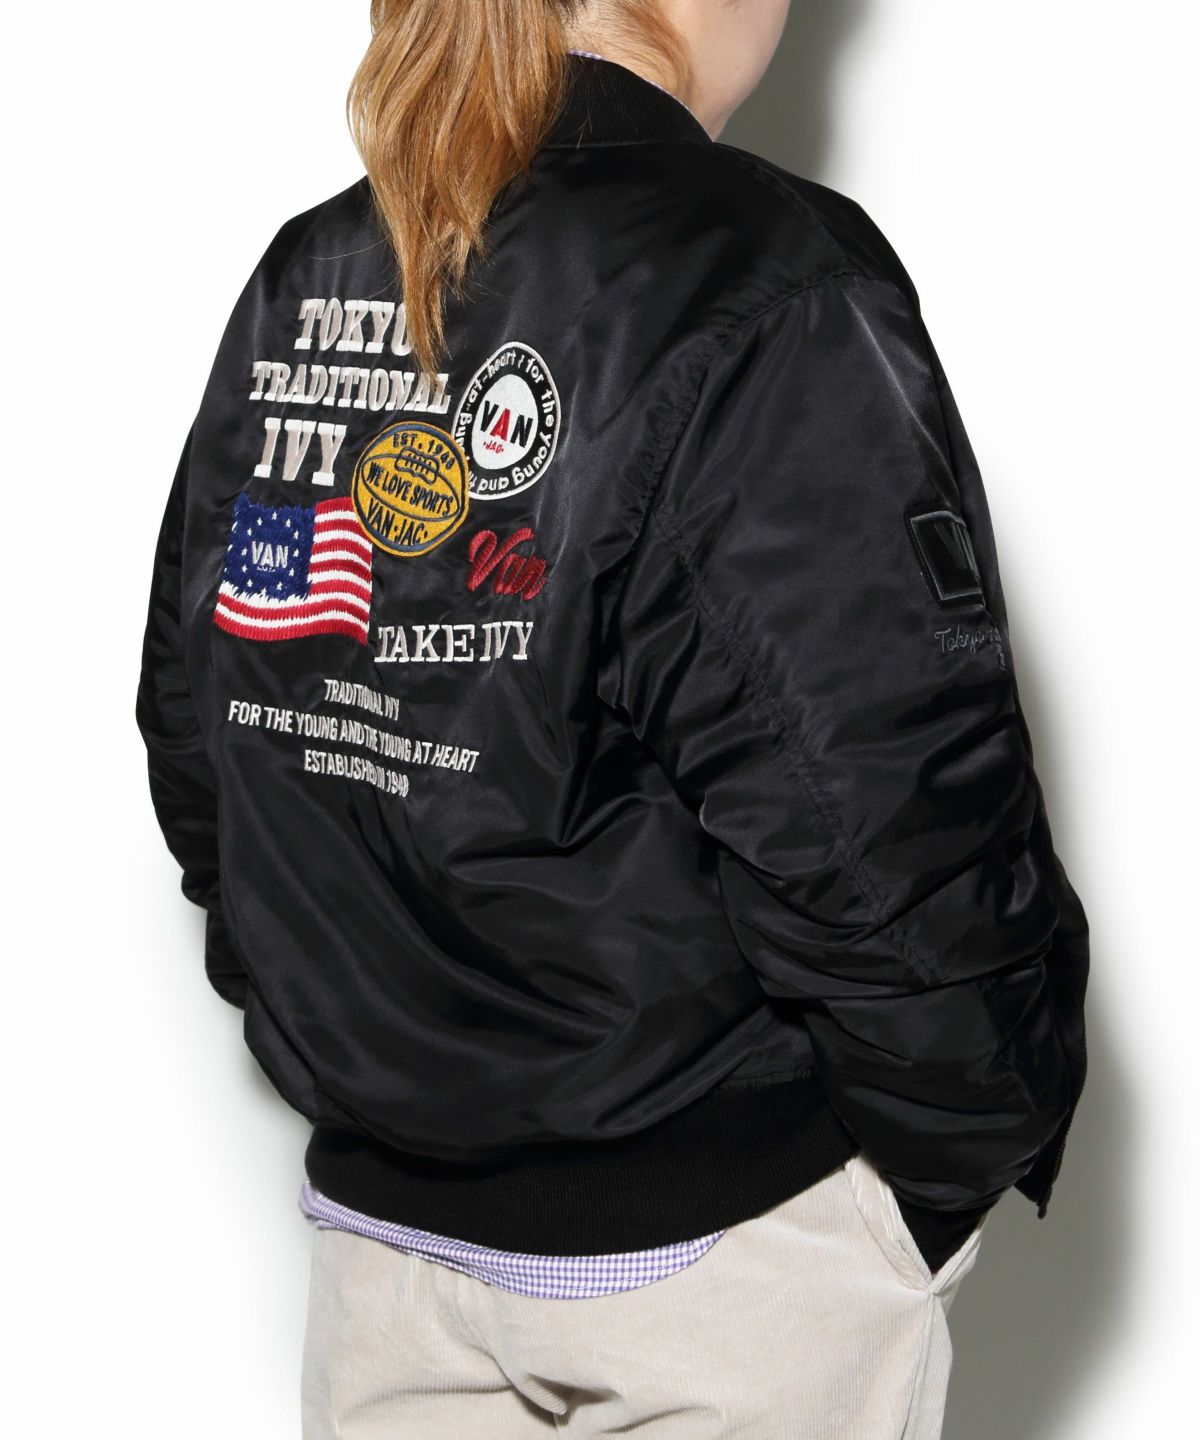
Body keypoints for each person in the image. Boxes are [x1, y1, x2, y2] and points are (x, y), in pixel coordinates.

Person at [136, 1, 1090, 1435]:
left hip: (387, 1261)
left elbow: (208, 734)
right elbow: (885, 820)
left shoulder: (313, 271)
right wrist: (956, 1156)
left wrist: (355, 1030)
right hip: (722, 1265)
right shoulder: (756, 275)